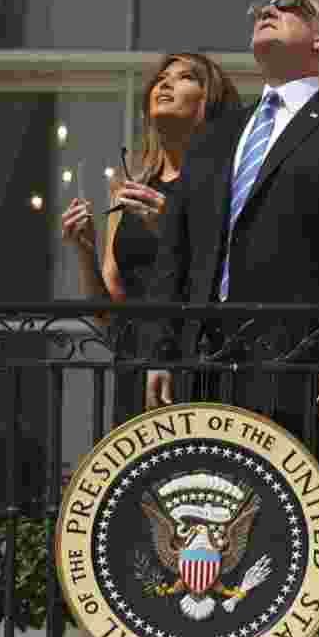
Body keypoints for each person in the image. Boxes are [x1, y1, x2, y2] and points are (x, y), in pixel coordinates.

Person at [141, 0, 319, 506]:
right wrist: (161, 350)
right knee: (209, 531)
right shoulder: (217, 135)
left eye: (288, 4)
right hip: (208, 370)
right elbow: (178, 252)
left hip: (304, 373)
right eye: (262, 5)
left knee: (306, 540)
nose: (267, 10)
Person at [60, 53, 240, 421]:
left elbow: (225, 278)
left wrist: (170, 229)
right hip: (136, 364)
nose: (165, 83)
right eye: (161, 77)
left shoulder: (229, 182)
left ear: (212, 101)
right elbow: (107, 313)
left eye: (186, 77)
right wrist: (84, 252)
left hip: (199, 362)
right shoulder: (130, 190)